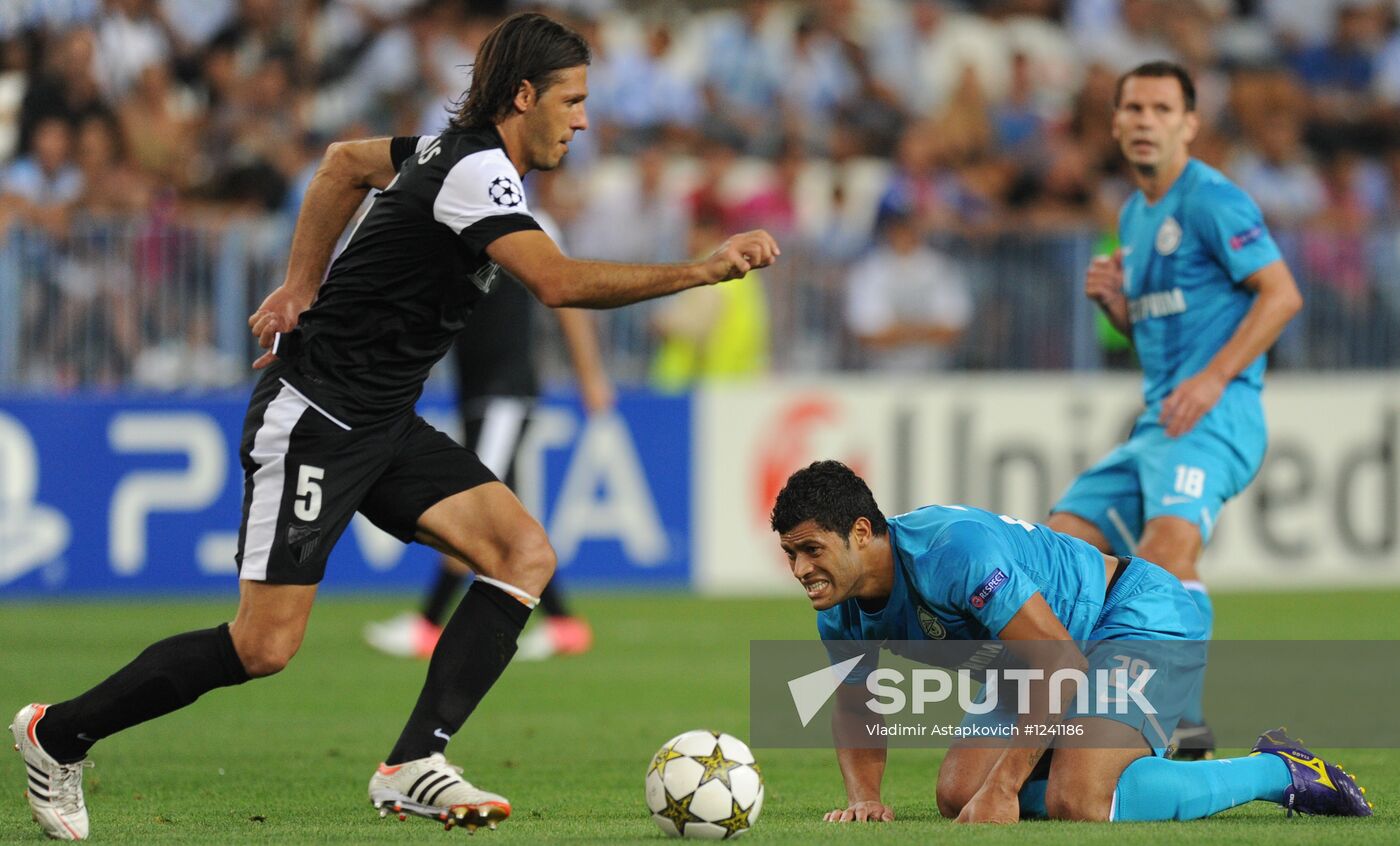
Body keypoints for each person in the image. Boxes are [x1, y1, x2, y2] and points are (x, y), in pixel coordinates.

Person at [10, 12, 779, 841]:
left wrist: (302, 281)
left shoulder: (443, 155)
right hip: (314, 417)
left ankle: (412, 765)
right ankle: (56, 735)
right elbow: (554, 283)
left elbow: (342, 163)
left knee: (523, 553)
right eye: (573, 99)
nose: (584, 119)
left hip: (382, 420)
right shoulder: (478, 169)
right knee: (264, 646)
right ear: (523, 96)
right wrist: (699, 270)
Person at [771, 460, 1371, 824]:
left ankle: (1280, 770)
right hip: (1038, 664)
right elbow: (857, 705)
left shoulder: (951, 552)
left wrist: (1006, 787)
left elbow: (1059, 659)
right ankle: (1101, 759)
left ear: (859, 532)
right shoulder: (841, 606)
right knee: (958, 794)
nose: (800, 571)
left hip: (1131, 613)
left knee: (1079, 801)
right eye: (790, 555)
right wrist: (866, 799)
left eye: (810, 550)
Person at [1045, 61, 1303, 758]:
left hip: (1216, 417)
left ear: (1189, 124)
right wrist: (1119, 311)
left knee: (1166, 551)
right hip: (1161, 420)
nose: (1145, 121)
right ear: (1115, 122)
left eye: (1162, 109)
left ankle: (1179, 724)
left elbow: (1281, 295)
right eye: (1133, 108)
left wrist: (1216, 378)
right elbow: (1160, 334)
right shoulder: (1132, 214)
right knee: (1065, 543)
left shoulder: (1213, 199)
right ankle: (1061, 717)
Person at [364, 207, 612, 662]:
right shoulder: (457, 216)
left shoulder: (531, 221)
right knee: (505, 513)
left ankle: (429, 623)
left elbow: (569, 298)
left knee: (472, 509)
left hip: (504, 394)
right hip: (480, 394)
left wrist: (589, 375)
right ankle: (563, 624)